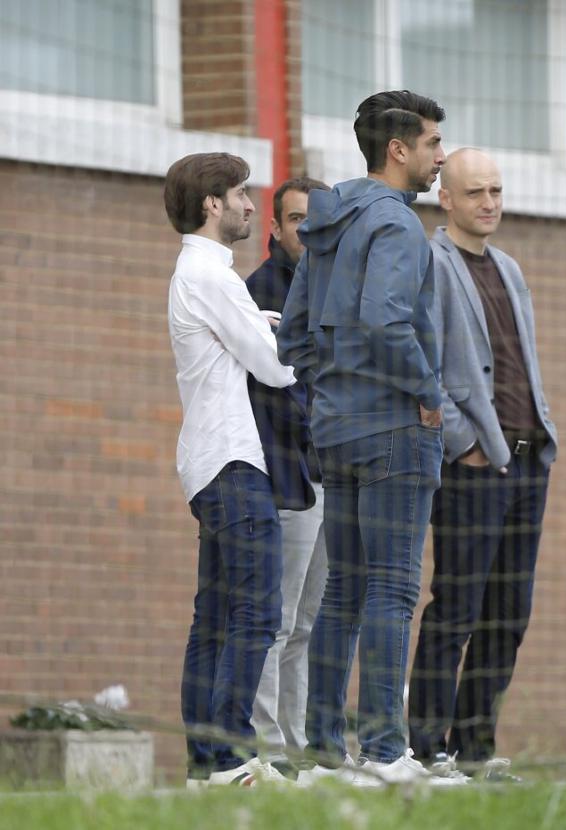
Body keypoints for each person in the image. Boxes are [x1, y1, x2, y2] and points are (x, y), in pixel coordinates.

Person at [276, 90, 465, 787]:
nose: (440, 157)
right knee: (390, 590)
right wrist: (428, 396)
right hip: (393, 429)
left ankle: (325, 753)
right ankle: (386, 752)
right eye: (433, 144)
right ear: (399, 149)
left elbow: (293, 333)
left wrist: (334, 390)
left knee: (344, 595)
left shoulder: (327, 222)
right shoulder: (396, 227)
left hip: (335, 428)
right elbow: (388, 322)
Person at [406, 149, 558, 782]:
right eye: (475, 193)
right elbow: (419, 359)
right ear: (447, 199)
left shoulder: (509, 268)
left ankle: (475, 747)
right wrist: (462, 441)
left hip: (529, 463)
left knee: (509, 614)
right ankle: (426, 747)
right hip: (474, 466)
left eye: (496, 190)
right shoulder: (431, 264)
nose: (489, 203)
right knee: (456, 608)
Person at [163, 152, 295, 786]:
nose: (250, 205)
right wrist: (301, 339)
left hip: (212, 462)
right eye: (241, 194)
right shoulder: (212, 277)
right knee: (256, 615)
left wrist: (264, 325)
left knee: (215, 618)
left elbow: (249, 338)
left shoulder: (202, 274)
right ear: (212, 203)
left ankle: (203, 766)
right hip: (234, 464)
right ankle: (232, 760)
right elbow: (275, 367)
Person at [244, 176, 331, 776]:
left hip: (335, 477)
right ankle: (267, 756)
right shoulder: (259, 292)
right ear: (276, 227)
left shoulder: (340, 288)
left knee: (309, 623)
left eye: (317, 219)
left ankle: (297, 753)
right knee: (275, 621)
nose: (308, 229)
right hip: (287, 476)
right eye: (296, 219)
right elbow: (276, 389)